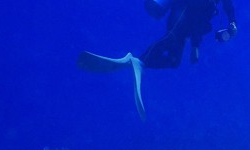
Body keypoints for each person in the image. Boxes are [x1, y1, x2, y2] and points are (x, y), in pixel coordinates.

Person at [77, 0, 238, 121]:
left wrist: (231, 24)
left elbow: (226, 7)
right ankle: (139, 61)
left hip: (192, 24)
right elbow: (202, 11)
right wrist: (196, 45)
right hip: (182, 14)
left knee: (174, 61)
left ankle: (139, 62)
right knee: (171, 37)